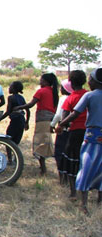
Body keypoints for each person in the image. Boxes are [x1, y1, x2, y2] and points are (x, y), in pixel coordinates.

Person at [56, 68, 102, 215]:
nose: (89, 81)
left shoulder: (89, 96)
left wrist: (62, 124)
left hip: (92, 136)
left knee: (86, 166)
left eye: (91, 79)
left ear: (95, 81)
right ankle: (100, 201)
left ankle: (83, 203)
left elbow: (75, 113)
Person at [14, 73, 59, 175]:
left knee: (40, 144)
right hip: (49, 120)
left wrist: (19, 107)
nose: (40, 81)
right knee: (45, 142)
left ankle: (43, 169)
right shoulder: (53, 92)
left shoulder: (41, 91)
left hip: (42, 120)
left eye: (42, 80)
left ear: (46, 81)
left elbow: (31, 104)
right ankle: (43, 167)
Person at [56, 70, 88, 200]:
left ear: (70, 83)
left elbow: (65, 116)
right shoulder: (88, 95)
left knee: (71, 161)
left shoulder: (70, 98)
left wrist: (61, 126)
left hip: (75, 133)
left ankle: (73, 192)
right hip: (88, 132)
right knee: (84, 162)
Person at [0, 81, 30, 148]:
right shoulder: (21, 98)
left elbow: (8, 112)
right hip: (22, 120)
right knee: (16, 141)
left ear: (14, 88)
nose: (9, 88)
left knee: (8, 140)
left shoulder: (11, 98)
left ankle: (10, 157)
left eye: (10, 86)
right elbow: (28, 110)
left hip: (15, 121)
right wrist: (27, 122)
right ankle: (14, 157)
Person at [50, 80, 73, 185]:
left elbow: (59, 114)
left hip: (63, 128)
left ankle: (62, 179)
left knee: (59, 153)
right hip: (73, 130)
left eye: (62, 87)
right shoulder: (76, 97)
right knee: (70, 154)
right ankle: (69, 178)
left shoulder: (64, 98)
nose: (60, 89)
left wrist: (52, 125)